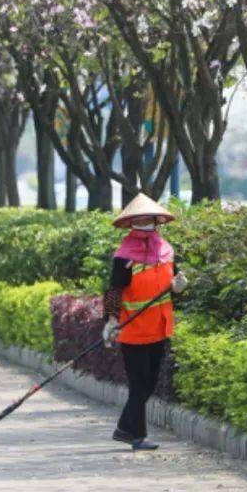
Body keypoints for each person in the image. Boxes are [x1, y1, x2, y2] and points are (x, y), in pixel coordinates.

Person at [101, 192, 185, 452]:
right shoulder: (124, 256)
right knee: (139, 384)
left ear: (156, 221)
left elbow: (172, 282)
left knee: (148, 383)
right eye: (140, 219)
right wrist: (111, 320)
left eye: (149, 218)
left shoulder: (166, 251)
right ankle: (135, 435)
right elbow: (114, 291)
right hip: (133, 330)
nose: (145, 223)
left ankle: (126, 430)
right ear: (131, 223)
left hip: (160, 327)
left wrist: (178, 286)